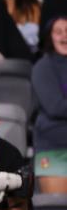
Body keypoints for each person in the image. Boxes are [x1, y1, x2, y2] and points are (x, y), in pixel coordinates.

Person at [31, 16, 67, 194]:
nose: (64, 36)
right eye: (58, 32)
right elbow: (56, 107)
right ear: (50, 37)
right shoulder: (43, 67)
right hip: (55, 147)